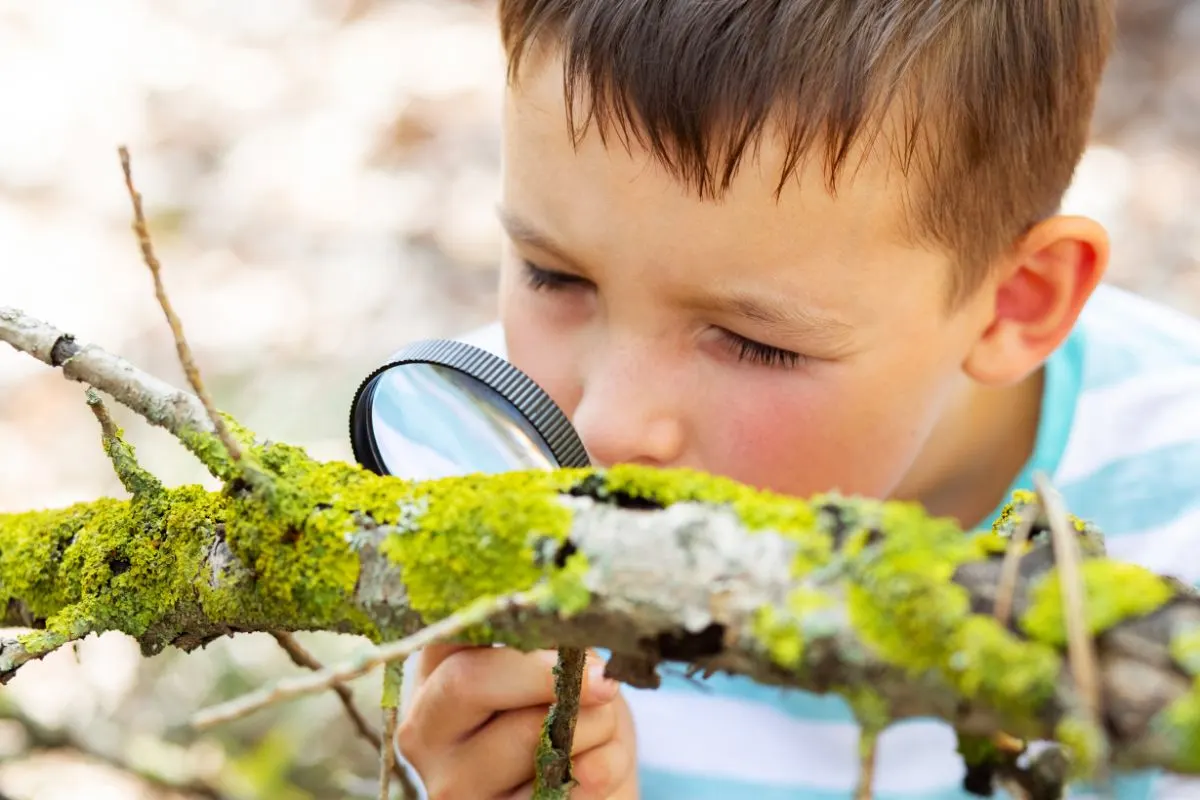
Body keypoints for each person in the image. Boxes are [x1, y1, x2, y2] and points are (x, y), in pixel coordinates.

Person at [393, 1, 1200, 797]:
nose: (607, 422)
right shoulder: (464, 450)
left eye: (756, 342)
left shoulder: (1181, 506)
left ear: (1017, 301)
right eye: (552, 275)